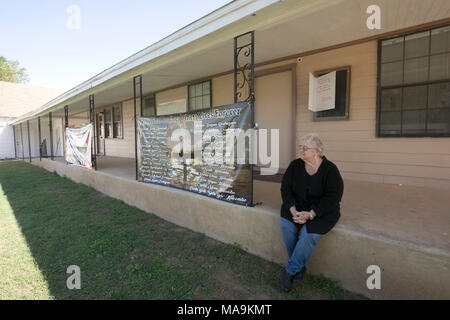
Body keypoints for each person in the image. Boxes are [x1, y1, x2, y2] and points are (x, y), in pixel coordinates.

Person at [280, 133, 344, 292]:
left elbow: (333, 197)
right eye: (300, 147)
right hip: (296, 207)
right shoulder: (295, 165)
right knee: (288, 228)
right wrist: (293, 209)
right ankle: (300, 267)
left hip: (322, 211)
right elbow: (285, 189)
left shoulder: (330, 170)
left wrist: (311, 214)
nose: (300, 150)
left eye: (305, 148)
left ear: (317, 151)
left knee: (308, 234)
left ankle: (290, 271)